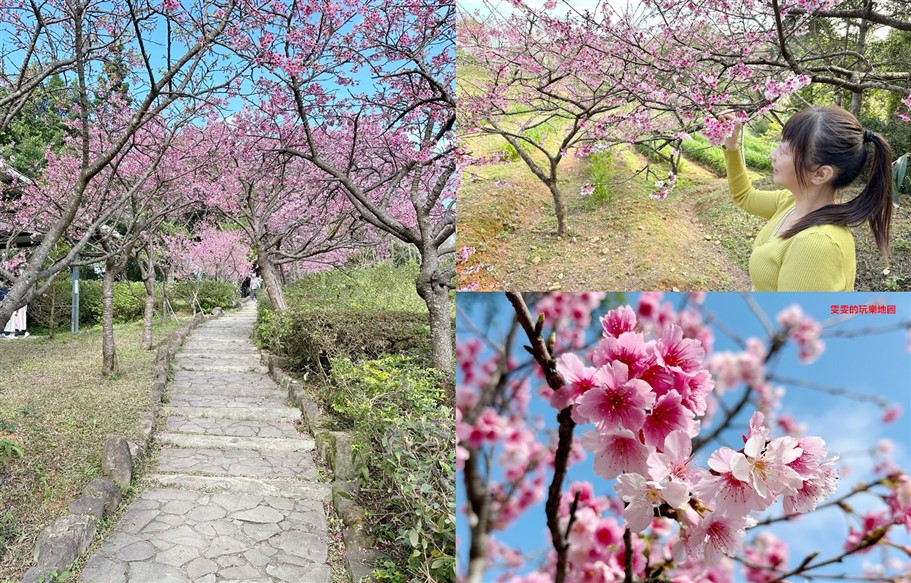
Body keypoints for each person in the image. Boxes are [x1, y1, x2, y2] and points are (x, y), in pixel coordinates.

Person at [720, 105, 893, 291]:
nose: (773, 155)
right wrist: (731, 146)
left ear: (820, 174)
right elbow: (745, 196)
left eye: (784, 151)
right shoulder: (790, 202)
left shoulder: (816, 245)